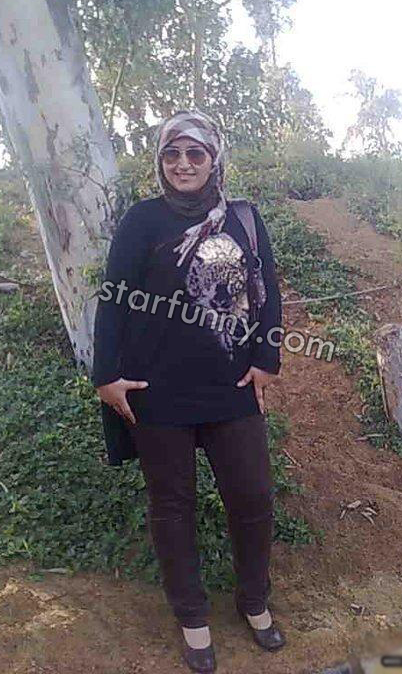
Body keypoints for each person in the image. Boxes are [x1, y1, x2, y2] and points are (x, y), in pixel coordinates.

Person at [92, 110, 285, 673]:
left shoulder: (243, 218)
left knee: (252, 498)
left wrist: (267, 359)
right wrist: (106, 376)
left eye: (195, 153)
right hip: (158, 393)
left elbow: (268, 292)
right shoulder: (142, 221)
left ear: (213, 159)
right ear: (160, 161)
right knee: (172, 507)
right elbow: (114, 298)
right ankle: (192, 617)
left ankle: (254, 600)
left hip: (231, 386)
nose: (183, 164)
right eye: (172, 154)